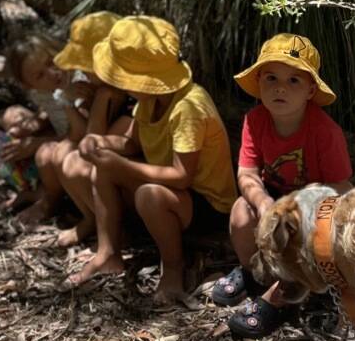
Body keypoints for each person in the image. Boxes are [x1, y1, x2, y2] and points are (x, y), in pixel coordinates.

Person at [69, 16, 236, 307]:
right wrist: (103, 144)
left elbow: (182, 176)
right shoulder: (149, 101)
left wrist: (121, 166)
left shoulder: (188, 108)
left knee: (148, 195)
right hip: (175, 192)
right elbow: (132, 142)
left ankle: (173, 267)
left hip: (205, 204)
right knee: (103, 172)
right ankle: (108, 252)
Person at [210, 34, 353, 339]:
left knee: (307, 235)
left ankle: (281, 297)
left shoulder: (325, 132)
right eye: (271, 78)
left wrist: (299, 210)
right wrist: (263, 203)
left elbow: (341, 187)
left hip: (312, 210)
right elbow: (247, 173)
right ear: (259, 83)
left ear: (310, 90)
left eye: (293, 81)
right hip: (274, 198)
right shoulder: (255, 120)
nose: (280, 88)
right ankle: (253, 273)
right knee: (240, 212)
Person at [46, 11, 132, 247]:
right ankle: (93, 219)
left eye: (88, 67)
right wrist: (67, 99)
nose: (84, 73)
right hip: (109, 175)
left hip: (128, 183)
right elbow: (76, 135)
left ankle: (116, 231)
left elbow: (91, 144)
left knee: (75, 162)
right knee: (61, 152)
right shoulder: (95, 89)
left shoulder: (130, 96)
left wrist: (102, 99)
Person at [1, 36, 93, 224]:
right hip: (65, 133)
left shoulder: (76, 83)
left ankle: (51, 199)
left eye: (51, 62)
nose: (52, 73)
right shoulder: (42, 92)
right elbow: (51, 109)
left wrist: (35, 144)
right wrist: (37, 123)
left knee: (44, 154)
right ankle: (34, 190)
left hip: (83, 140)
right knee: (12, 118)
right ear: (30, 86)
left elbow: (82, 132)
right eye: (40, 75)